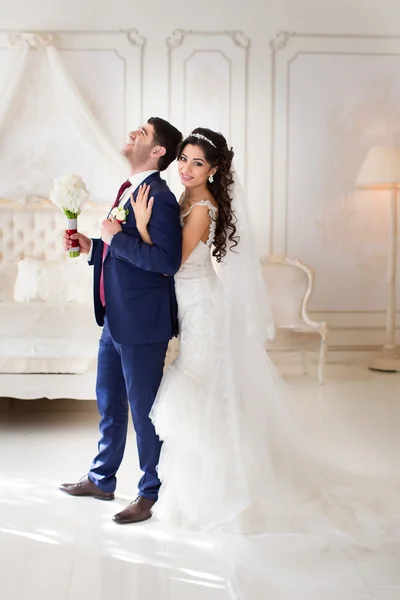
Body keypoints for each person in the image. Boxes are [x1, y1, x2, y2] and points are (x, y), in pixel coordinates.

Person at [131, 127, 400, 543]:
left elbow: (174, 260)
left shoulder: (201, 205)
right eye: (183, 159)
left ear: (214, 169)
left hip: (202, 308)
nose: (185, 168)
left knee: (201, 392)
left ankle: (222, 494)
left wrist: (144, 227)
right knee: (201, 394)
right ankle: (195, 490)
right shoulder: (186, 196)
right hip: (189, 303)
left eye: (197, 163)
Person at [60, 117, 183, 525]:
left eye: (143, 133)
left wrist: (113, 236)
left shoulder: (159, 196)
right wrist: (94, 244)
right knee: (110, 403)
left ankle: (149, 492)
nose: (133, 133)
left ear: (158, 151)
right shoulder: (130, 188)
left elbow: (166, 263)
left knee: (144, 411)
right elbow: (123, 253)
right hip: (114, 317)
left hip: (143, 323)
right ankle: (102, 478)